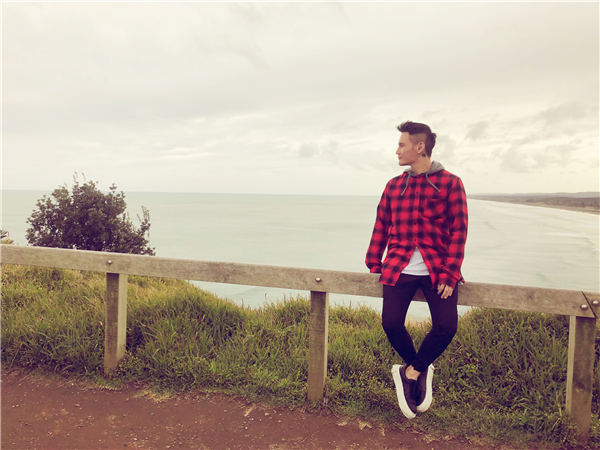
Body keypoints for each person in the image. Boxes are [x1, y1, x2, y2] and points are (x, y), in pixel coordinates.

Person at [365, 121, 468, 419]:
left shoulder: (451, 183)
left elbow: (459, 231)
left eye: (402, 144)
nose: (397, 150)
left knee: (446, 326)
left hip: (438, 271)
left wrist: (451, 272)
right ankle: (418, 368)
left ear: (419, 147)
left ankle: (410, 373)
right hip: (399, 267)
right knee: (391, 323)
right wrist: (374, 261)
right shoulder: (394, 186)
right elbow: (381, 224)